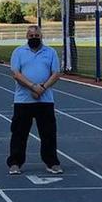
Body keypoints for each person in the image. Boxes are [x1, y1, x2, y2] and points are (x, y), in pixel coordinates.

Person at [7, 25, 63, 175]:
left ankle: (52, 163)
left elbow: (56, 73)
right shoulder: (18, 52)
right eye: (31, 36)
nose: (34, 38)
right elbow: (16, 74)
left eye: (37, 36)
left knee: (48, 134)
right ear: (27, 37)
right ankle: (15, 163)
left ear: (41, 36)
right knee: (19, 133)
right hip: (23, 100)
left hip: (45, 100)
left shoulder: (50, 52)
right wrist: (33, 87)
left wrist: (42, 88)